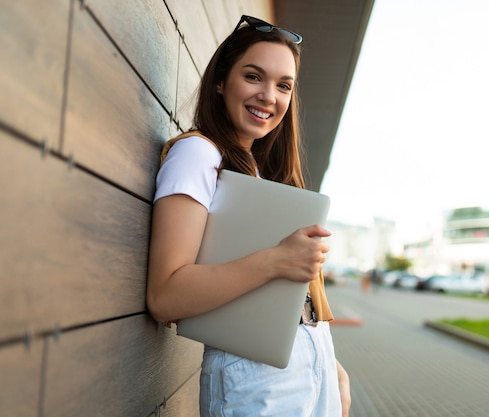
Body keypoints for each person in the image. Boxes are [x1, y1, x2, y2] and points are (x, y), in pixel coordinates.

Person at [146, 15, 351, 417]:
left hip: (309, 363)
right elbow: (165, 296)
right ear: (221, 81)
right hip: (257, 378)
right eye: (254, 77)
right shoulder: (198, 154)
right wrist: (276, 260)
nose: (269, 96)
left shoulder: (257, 172)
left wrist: (333, 368)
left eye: (283, 85)